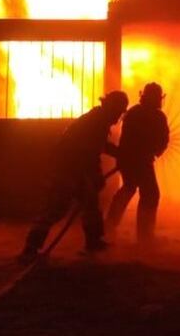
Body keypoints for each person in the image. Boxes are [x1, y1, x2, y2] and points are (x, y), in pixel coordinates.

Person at [19, 91, 129, 263]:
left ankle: (93, 242)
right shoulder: (96, 122)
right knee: (56, 208)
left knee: (91, 204)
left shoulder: (98, 120)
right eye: (119, 111)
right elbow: (87, 152)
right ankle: (30, 248)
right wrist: (94, 175)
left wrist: (119, 153)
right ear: (111, 107)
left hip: (74, 168)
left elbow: (99, 146)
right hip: (67, 169)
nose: (118, 116)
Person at [106, 82, 169, 244]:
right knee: (150, 193)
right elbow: (159, 139)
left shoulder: (136, 113)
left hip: (133, 159)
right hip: (136, 160)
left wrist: (153, 151)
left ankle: (109, 226)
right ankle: (144, 235)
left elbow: (162, 139)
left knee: (129, 188)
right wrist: (152, 151)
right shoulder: (147, 115)